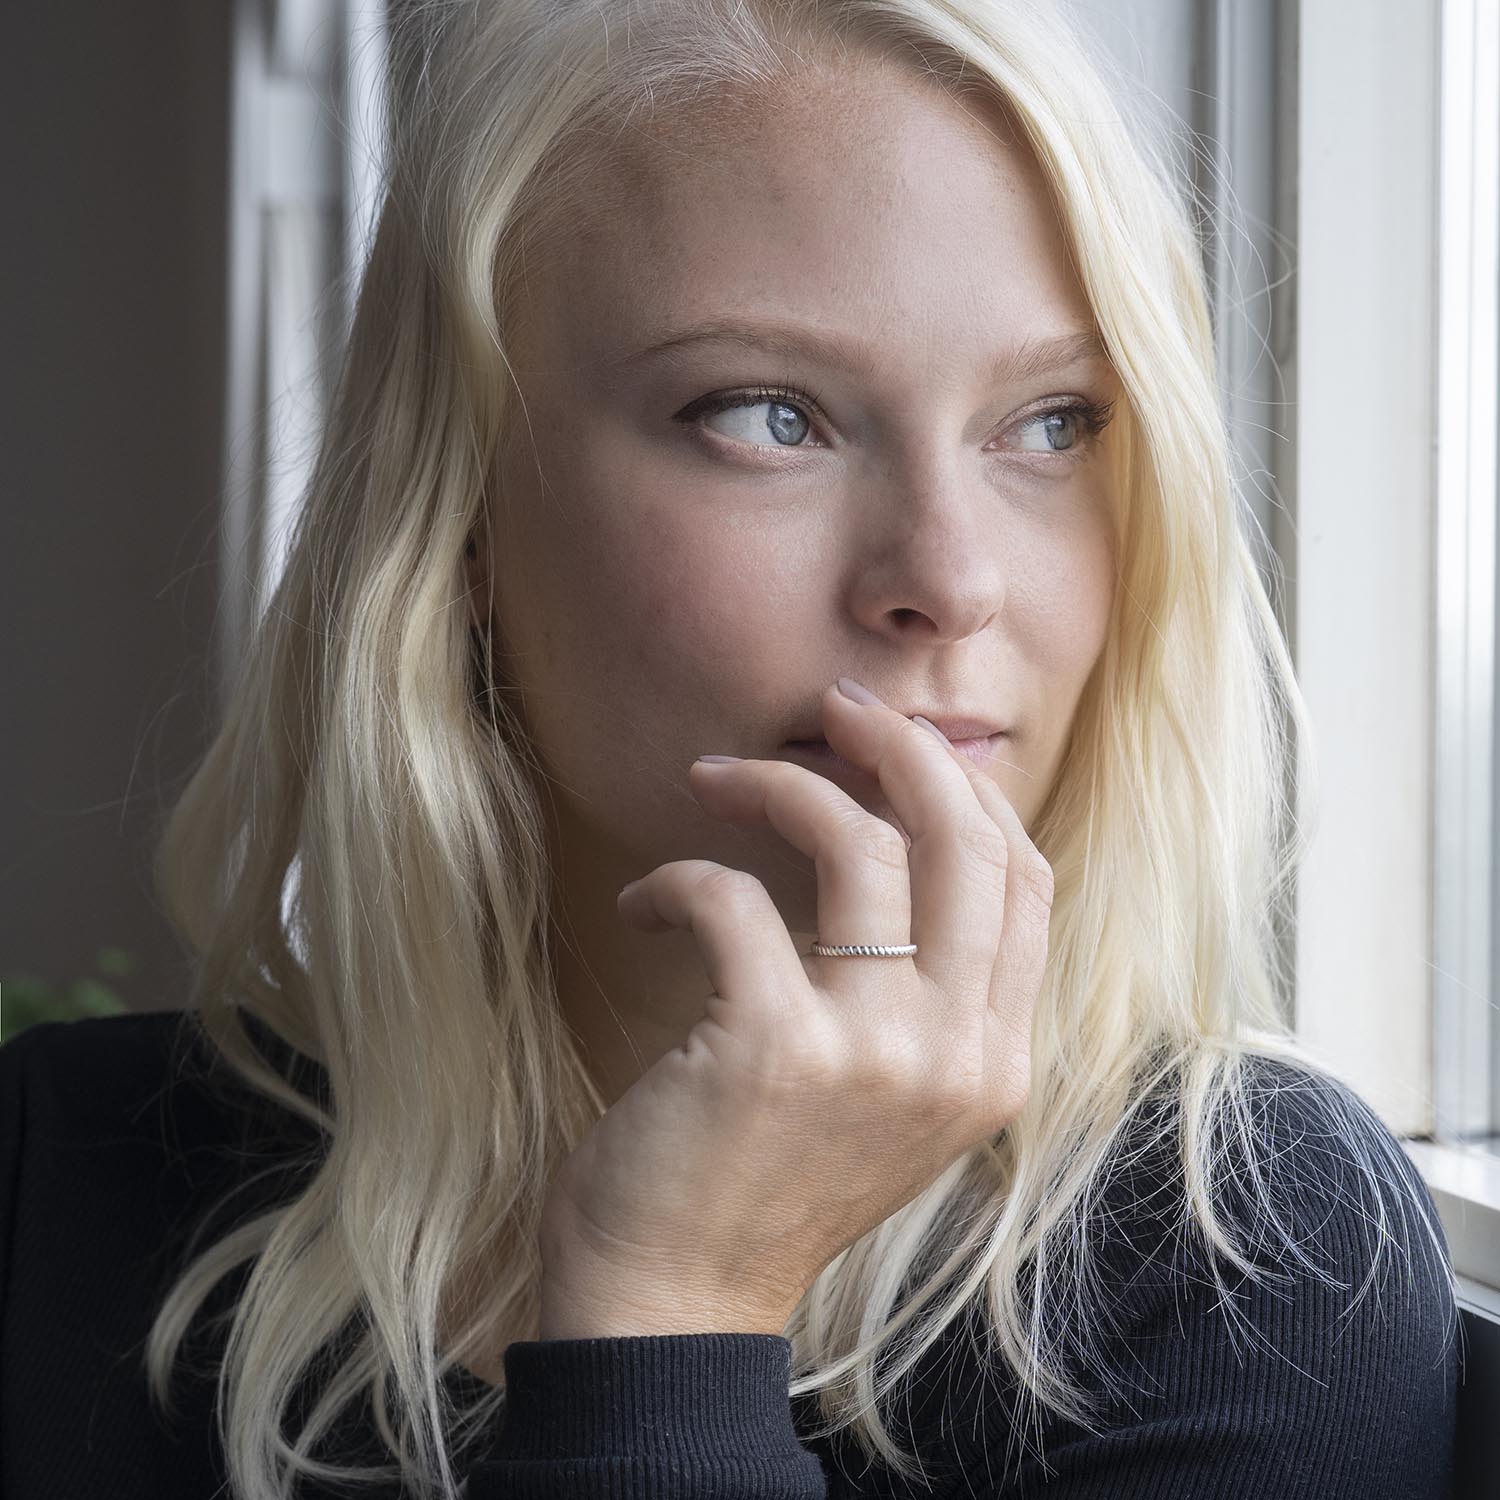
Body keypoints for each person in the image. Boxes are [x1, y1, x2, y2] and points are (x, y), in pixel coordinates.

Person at [0, 0, 1460, 1496]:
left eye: (1051, 423)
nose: (952, 579)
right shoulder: (56, 1179)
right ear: (463, 525)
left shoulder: (1251, 1257)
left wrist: (670, 1319)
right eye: (770, 416)